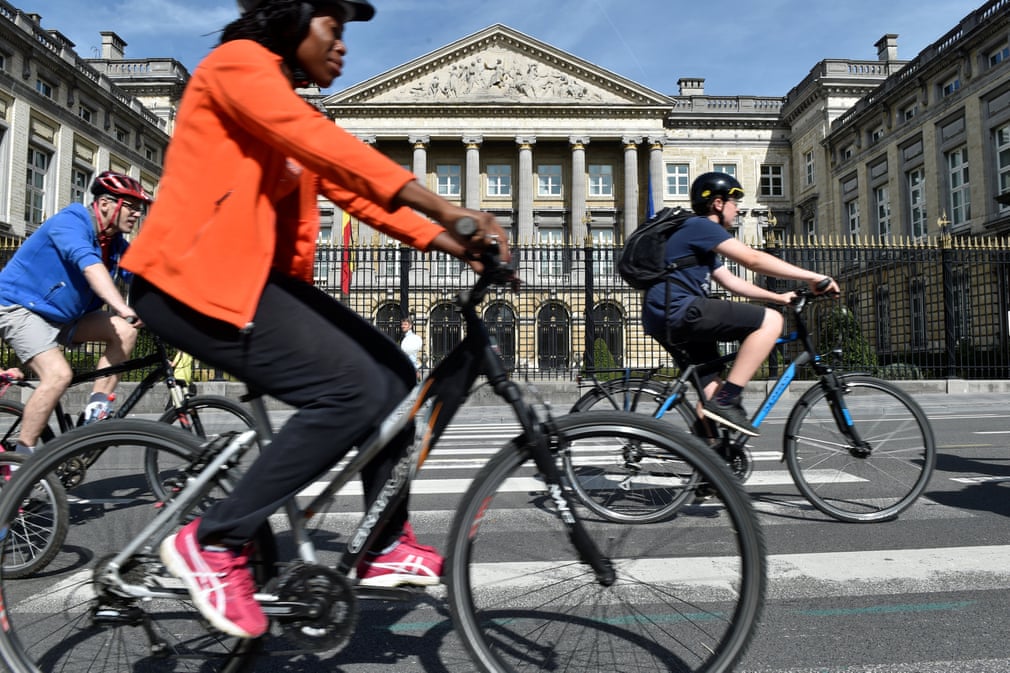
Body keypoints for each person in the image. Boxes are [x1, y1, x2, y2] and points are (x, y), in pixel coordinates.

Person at [121, 0, 510, 640]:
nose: (343, 45)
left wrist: (449, 242)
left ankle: (384, 543)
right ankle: (213, 542)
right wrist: (447, 208)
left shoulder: (291, 107)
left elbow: (349, 187)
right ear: (291, 21)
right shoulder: (238, 66)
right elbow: (326, 147)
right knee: (350, 388)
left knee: (392, 372)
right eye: (333, 27)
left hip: (254, 283)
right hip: (191, 279)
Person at [641, 171, 839, 438]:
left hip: (664, 314)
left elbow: (731, 282)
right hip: (678, 309)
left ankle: (708, 462)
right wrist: (813, 275)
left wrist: (779, 298)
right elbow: (752, 260)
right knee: (771, 321)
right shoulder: (701, 226)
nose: (737, 210)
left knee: (710, 389)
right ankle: (727, 401)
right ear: (718, 204)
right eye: (734, 203)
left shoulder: (699, 239)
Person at [0, 171, 148, 457]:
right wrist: (122, 306)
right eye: (131, 206)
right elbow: (90, 267)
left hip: (65, 317)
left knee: (125, 331)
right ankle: (20, 464)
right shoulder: (71, 222)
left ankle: (95, 412)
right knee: (58, 375)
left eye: (140, 208)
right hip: (19, 308)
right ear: (105, 203)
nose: (137, 214)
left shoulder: (115, 242)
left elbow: (144, 276)